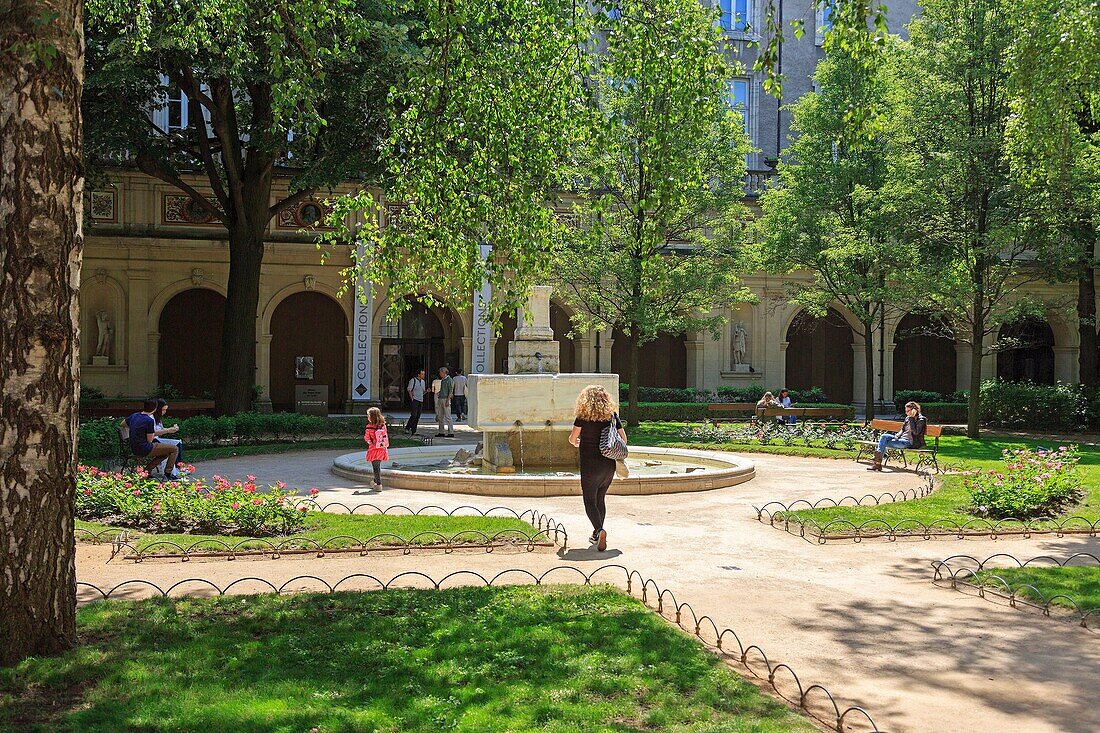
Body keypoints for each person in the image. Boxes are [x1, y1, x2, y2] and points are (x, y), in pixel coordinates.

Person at [568, 384, 627, 552]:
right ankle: (597, 533)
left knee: (589, 500)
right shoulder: (612, 416)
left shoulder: (583, 416)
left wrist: (577, 442)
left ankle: (599, 530)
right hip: (608, 464)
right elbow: (623, 438)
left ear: (585, 400)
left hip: (590, 465)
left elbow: (573, 439)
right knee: (600, 499)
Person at [124, 398, 180, 480]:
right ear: (155, 408)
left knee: (166, 451)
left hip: (134, 447)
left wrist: (136, 428)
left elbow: (123, 423)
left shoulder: (135, 415)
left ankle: (147, 471)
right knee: (174, 449)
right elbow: (149, 440)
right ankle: (168, 473)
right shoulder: (149, 420)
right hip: (144, 448)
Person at [869, 401, 927, 471]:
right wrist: (897, 435)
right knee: (884, 436)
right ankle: (878, 461)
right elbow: (902, 430)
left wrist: (911, 418)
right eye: (906, 411)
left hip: (909, 442)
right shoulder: (907, 418)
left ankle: (877, 462)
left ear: (915, 410)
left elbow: (916, 433)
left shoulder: (921, 420)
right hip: (901, 439)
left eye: (908, 411)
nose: (906, 413)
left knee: (883, 443)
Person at [152, 398, 184, 475]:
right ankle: (175, 468)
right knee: (175, 446)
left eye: (165, 410)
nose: (164, 412)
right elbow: (153, 432)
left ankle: (178, 466)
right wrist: (168, 430)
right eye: (163, 410)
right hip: (153, 440)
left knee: (178, 442)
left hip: (157, 439)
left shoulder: (158, 418)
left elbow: (162, 429)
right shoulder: (151, 418)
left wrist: (172, 429)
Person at [363, 406, 389, 492]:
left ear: (371, 417)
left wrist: (370, 443)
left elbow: (367, 438)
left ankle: (378, 484)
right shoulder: (383, 425)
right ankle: (374, 482)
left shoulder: (369, 427)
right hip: (382, 448)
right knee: (377, 466)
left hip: (374, 449)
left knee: (375, 467)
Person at [432, 366, 455, 437]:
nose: (439, 373)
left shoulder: (449, 380)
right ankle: (441, 431)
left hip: (445, 399)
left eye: (440, 372)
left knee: (448, 416)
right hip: (441, 398)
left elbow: (450, 391)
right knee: (440, 416)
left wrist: (448, 400)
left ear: (443, 372)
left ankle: (451, 432)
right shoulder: (443, 380)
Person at [405, 369, 426, 434]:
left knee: (418, 416)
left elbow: (423, 392)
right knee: (414, 415)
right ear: (418, 374)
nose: (423, 375)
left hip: (421, 400)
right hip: (415, 400)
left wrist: (426, 391)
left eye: (424, 374)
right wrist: (412, 398)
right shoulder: (413, 380)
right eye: (422, 374)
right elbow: (409, 390)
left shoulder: (423, 382)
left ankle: (414, 430)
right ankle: (407, 428)